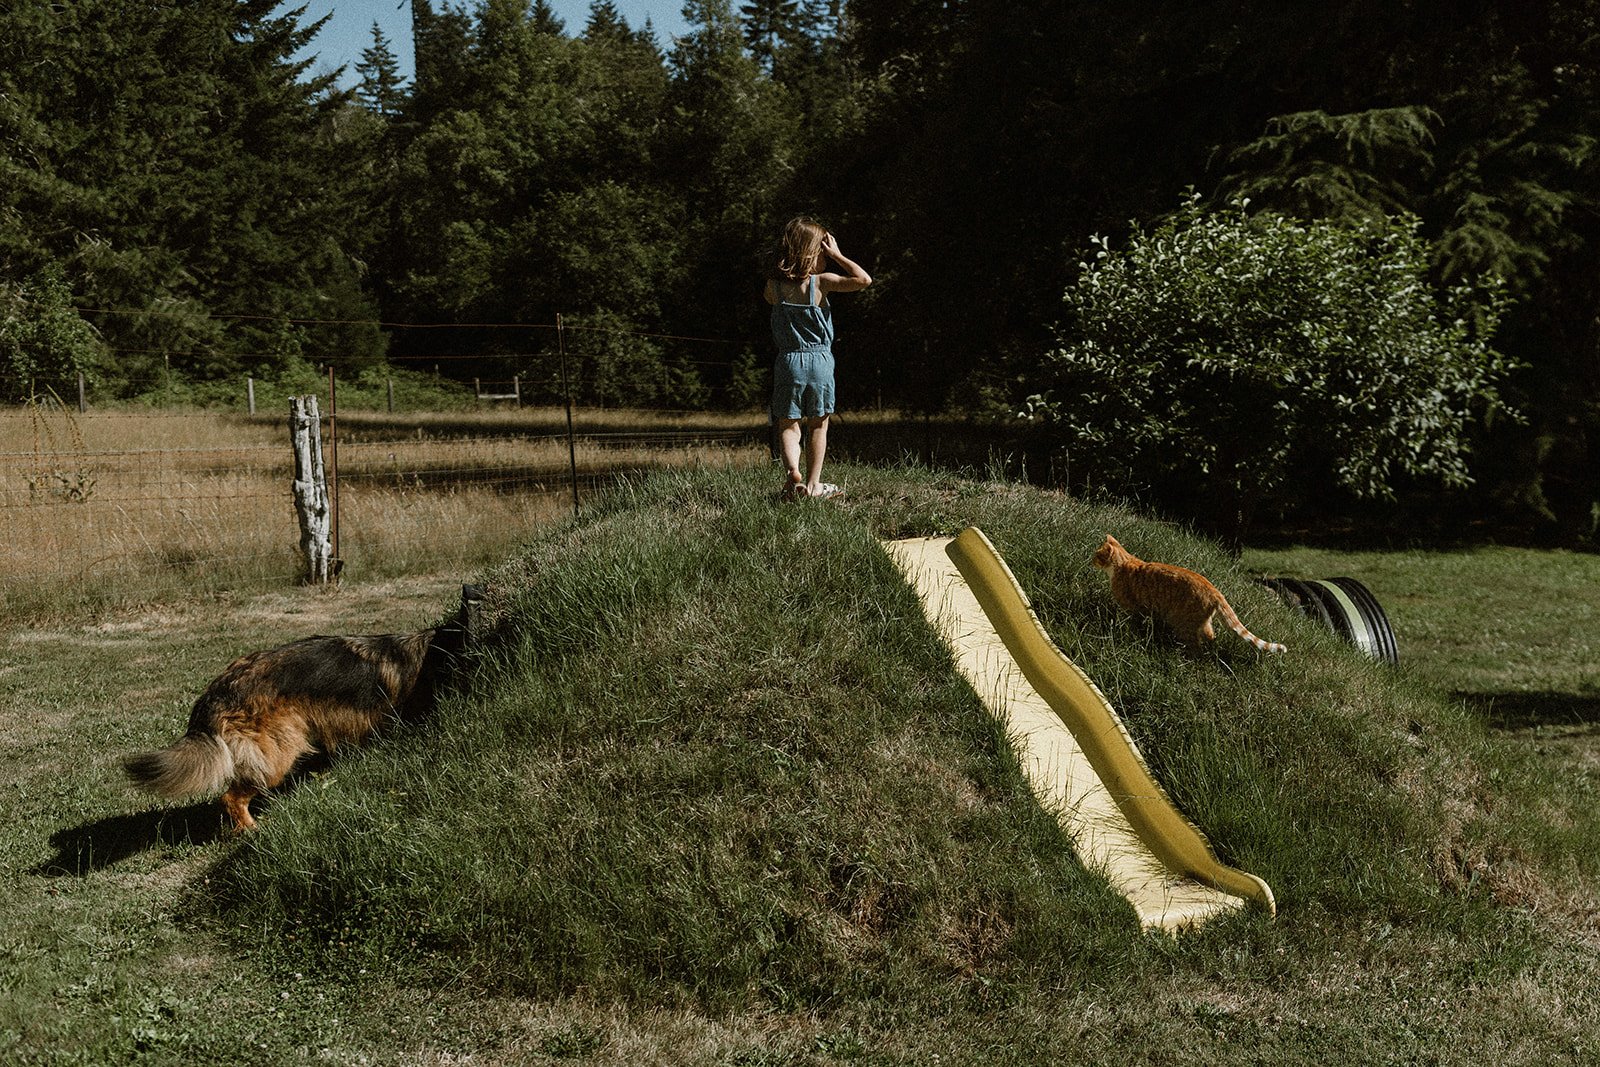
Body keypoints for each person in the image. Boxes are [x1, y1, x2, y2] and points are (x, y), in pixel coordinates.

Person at [764, 216, 872, 500]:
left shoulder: (772, 287)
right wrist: (838, 255)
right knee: (818, 423)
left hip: (788, 362)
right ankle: (813, 484)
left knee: (788, 423)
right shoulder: (821, 283)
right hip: (820, 362)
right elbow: (864, 279)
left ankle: (791, 475)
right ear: (814, 253)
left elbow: (772, 302)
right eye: (822, 252)